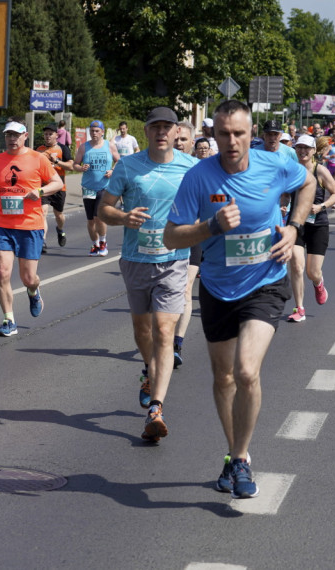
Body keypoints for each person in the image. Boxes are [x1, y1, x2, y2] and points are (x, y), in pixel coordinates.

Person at [164, 99, 314, 499]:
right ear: (213, 134)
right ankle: (233, 455)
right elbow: (171, 236)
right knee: (223, 377)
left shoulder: (275, 164)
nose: (232, 141)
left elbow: (308, 183)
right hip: (216, 286)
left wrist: (295, 227)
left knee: (246, 371)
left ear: (251, 134)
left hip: (265, 280)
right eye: (224, 133)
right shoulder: (198, 177)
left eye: (239, 133)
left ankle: (242, 458)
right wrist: (210, 226)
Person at [98, 107, 197, 442]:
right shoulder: (129, 166)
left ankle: (156, 408)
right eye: (155, 127)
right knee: (143, 332)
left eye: (167, 127)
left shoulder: (191, 167)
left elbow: (212, 199)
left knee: (165, 331)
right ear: (146, 131)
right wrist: (123, 218)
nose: (161, 132)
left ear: (176, 133)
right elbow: (104, 208)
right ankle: (148, 370)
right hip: (136, 258)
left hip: (174, 260)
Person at [0, 121, 63, 336]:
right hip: (4, 225)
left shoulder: (37, 158)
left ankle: (33, 291)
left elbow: (57, 182)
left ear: (25, 136)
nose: (12, 139)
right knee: (2, 271)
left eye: (16, 135)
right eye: (8, 135)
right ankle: (8, 320)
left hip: (30, 225)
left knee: (28, 278)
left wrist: (40, 192)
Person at [285, 135, 335, 322]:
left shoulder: (320, 170)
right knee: (296, 266)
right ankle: (299, 308)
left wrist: (321, 206)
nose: (302, 151)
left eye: (306, 148)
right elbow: (285, 194)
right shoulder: (291, 170)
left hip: (318, 225)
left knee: (312, 272)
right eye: (299, 147)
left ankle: (318, 283)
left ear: (313, 151)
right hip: (296, 224)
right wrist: (283, 204)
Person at [172, 121, 199, 367]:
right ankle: (163, 336)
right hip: (166, 236)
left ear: (193, 142)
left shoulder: (201, 169)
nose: (179, 143)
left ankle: (177, 343)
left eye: (184, 140)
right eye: (176, 139)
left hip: (194, 235)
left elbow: (217, 196)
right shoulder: (160, 167)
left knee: (186, 289)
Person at [73, 120, 120, 256]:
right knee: (90, 220)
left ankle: (103, 242)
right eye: (92, 131)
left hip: (103, 187)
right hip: (88, 187)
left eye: (97, 131)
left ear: (102, 132)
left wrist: (112, 171)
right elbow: (75, 164)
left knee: (99, 217)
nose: (94, 133)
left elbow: (119, 161)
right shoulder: (84, 147)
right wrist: (80, 168)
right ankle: (95, 244)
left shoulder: (109, 145)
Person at [36, 123, 74, 251]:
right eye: (46, 134)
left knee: (59, 215)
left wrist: (56, 161)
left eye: (50, 134)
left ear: (56, 135)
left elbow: (71, 166)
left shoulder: (62, 148)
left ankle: (60, 229)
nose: (47, 136)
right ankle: (42, 241)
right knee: (43, 212)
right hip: (44, 186)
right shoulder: (38, 149)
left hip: (59, 187)